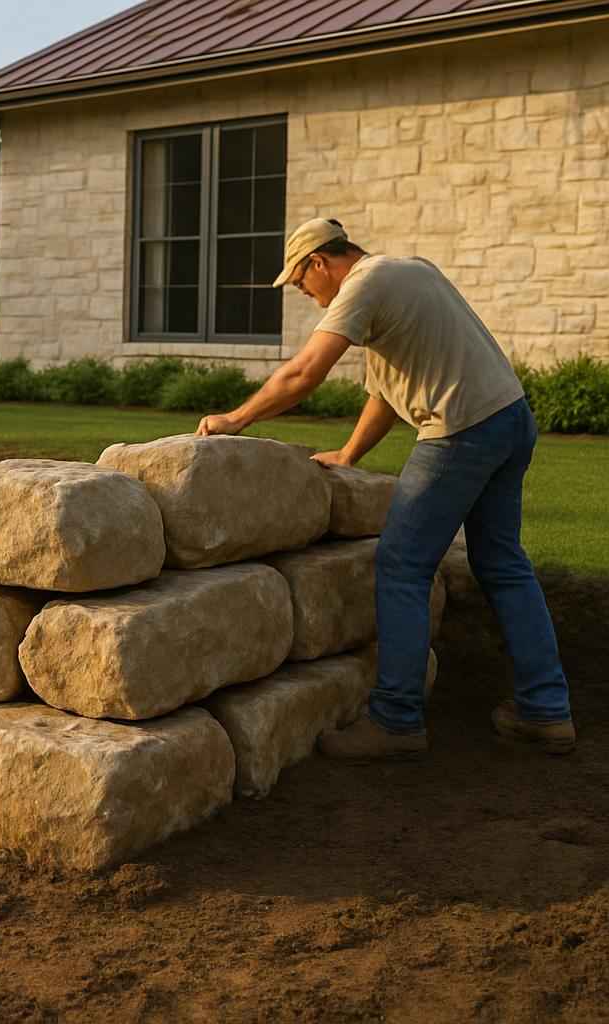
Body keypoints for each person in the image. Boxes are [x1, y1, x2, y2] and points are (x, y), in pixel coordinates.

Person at [195, 218, 575, 759]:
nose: (306, 295)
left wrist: (236, 418)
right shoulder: (408, 273)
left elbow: (305, 373)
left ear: (321, 264)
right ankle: (546, 711)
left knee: (401, 566)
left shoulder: (364, 285)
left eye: (302, 283)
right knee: (503, 564)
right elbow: (385, 392)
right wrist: (350, 454)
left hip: (461, 431)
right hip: (510, 419)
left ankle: (396, 720)